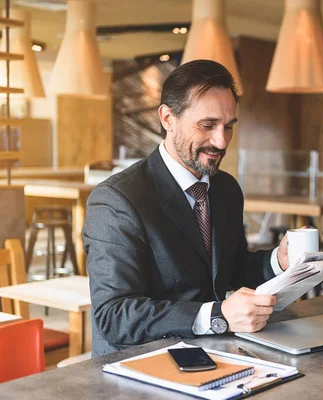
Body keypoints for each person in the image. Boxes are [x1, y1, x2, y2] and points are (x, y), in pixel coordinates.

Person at [83, 60, 290, 357]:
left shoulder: (225, 189)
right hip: (138, 364)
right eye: (207, 125)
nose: (221, 141)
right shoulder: (117, 199)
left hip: (211, 353)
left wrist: (278, 262)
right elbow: (114, 315)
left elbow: (230, 269)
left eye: (228, 127)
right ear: (168, 118)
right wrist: (216, 315)